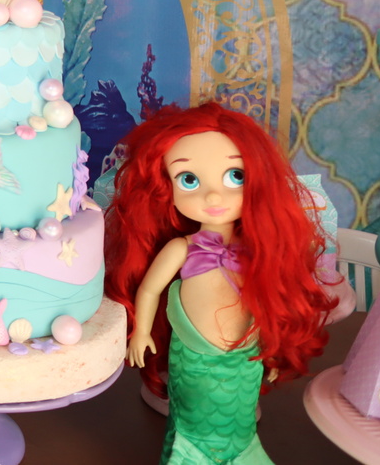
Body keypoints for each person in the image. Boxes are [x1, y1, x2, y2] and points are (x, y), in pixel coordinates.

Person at [104, 103, 336, 465]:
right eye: (189, 180)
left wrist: (273, 346)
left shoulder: (259, 252)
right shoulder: (181, 248)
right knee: (192, 416)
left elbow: (271, 300)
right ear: (165, 188)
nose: (213, 197)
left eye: (235, 176)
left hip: (245, 355)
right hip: (193, 356)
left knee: (238, 418)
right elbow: (149, 289)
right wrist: (141, 332)